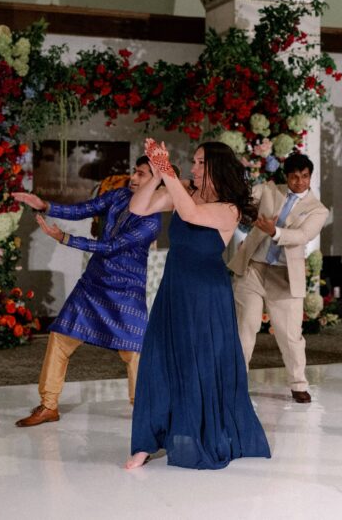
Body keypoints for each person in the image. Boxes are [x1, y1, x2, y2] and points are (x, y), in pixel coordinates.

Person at [126, 140, 270, 469]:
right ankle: (146, 442)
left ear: (216, 167)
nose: (193, 167)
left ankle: (201, 433)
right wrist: (155, 174)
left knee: (199, 365)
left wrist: (167, 171)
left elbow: (191, 215)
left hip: (206, 295)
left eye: (201, 162)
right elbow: (138, 208)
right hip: (173, 290)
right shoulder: (184, 191)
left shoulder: (230, 208)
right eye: (193, 161)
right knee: (158, 361)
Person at [12, 157, 162, 427]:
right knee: (60, 336)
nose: (133, 178)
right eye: (134, 172)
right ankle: (48, 405)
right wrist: (45, 205)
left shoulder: (152, 222)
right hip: (94, 283)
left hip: (126, 292)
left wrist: (65, 239)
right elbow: (84, 208)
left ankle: (143, 411)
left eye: (141, 174)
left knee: (135, 352)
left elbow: (112, 247)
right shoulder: (119, 196)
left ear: (156, 180)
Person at [229, 153, 329, 404]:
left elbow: (303, 236)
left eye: (304, 177)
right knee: (245, 327)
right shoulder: (270, 190)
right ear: (287, 176)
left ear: (310, 176)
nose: (299, 181)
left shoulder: (318, 210)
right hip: (253, 268)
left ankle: (298, 383)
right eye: (294, 176)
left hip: (284, 276)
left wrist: (275, 231)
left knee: (290, 335)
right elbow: (244, 198)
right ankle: (236, 383)